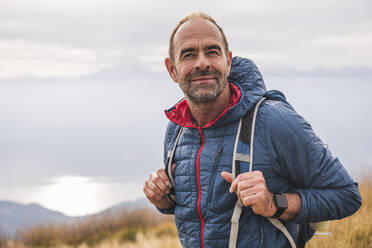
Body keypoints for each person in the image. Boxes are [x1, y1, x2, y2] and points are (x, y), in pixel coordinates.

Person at [143, 11, 361, 248]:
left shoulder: (274, 121)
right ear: (172, 69)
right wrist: (164, 200)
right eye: (188, 55)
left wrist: (273, 202)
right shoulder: (177, 130)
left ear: (228, 61)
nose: (202, 63)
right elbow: (201, 211)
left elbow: (347, 196)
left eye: (212, 52)